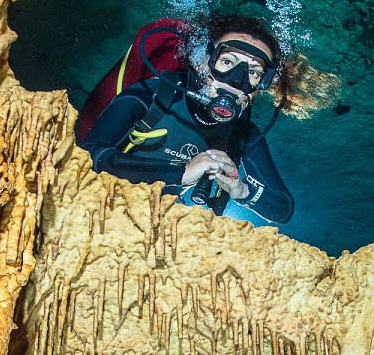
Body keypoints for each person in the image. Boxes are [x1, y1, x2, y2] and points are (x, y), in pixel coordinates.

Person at [80, 14, 339, 224]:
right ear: (204, 62)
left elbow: (283, 208)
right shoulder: (153, 95)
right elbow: (90, 155)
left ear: (263, 85)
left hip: (155, 221)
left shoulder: (243, 135)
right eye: (227, 61)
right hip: (95, 205)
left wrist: (241, 189)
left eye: (253, 72)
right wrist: (181, 173)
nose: (236, 80)